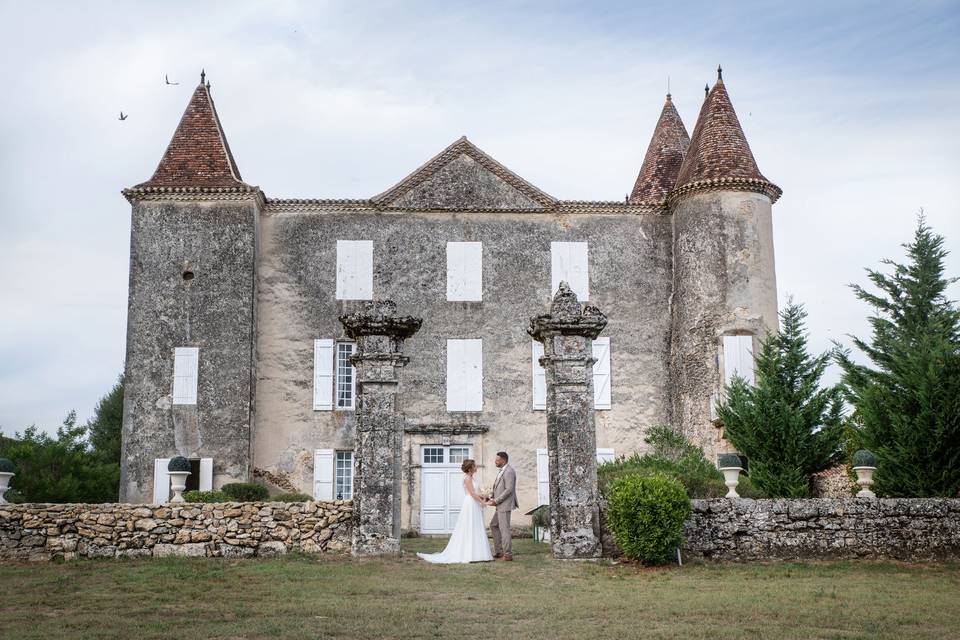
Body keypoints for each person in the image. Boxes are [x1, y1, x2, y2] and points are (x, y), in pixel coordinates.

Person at [416, 458, 493, 564]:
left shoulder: (472, 478)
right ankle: (469, 554)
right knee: (469, 526)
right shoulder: (467, 479)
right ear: (470, 468)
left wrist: (485, 496)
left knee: (475, 525)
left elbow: (476, 493)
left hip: (474, 503)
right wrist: (483, 502)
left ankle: (477, 553)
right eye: (475, 466)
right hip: (470, 503)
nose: (476, 467)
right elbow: (472, 494)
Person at [487, 451, 518, 561]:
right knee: (494, 525)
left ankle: (508, 555)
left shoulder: (509, 471)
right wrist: (490, 497)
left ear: (503, 460)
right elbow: (498, 488)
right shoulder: (502, 471)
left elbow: (509, 490)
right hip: (499, 504)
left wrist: (496, 500)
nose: (495, 461)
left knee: (504, 529)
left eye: (497, 460)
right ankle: (499, 551)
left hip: (504, 505)